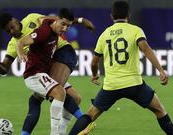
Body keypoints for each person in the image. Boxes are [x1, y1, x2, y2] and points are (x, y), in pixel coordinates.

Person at [69, 1, 173, 135]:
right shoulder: (135, 30)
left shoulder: (104, 34)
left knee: (90, 114)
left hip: (111, 85)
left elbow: (94, 63)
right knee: (159, 110)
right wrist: (161, 70)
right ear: (128, 15)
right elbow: (145, 49)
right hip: (134, 84)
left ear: (111, 16)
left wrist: (95, 75)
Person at [0, 10, 95, 135]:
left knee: (54, 93)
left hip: (62, 51)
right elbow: (4, 69)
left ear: (16, 20)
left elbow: (58, 20)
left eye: (12, 27)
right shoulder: (12, 44)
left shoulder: (32, 19)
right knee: (73, 98)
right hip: (45, 66)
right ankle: (69, 127)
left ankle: (80, 122)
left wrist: (81, 20)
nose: (11, 31)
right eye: (7, 31)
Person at [15, 8, 75, 135]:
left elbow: (41, 19)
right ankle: (55, 133)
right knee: (60, 93)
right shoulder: (43, 32)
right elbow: (20, 42)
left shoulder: (51, 25)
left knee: (76, 98)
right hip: (34, 74)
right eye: (63, 24)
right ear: (56, 20)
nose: (64, 28)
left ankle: (62, 131)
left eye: (68, 26)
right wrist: (21, 54)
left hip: (45, 73)